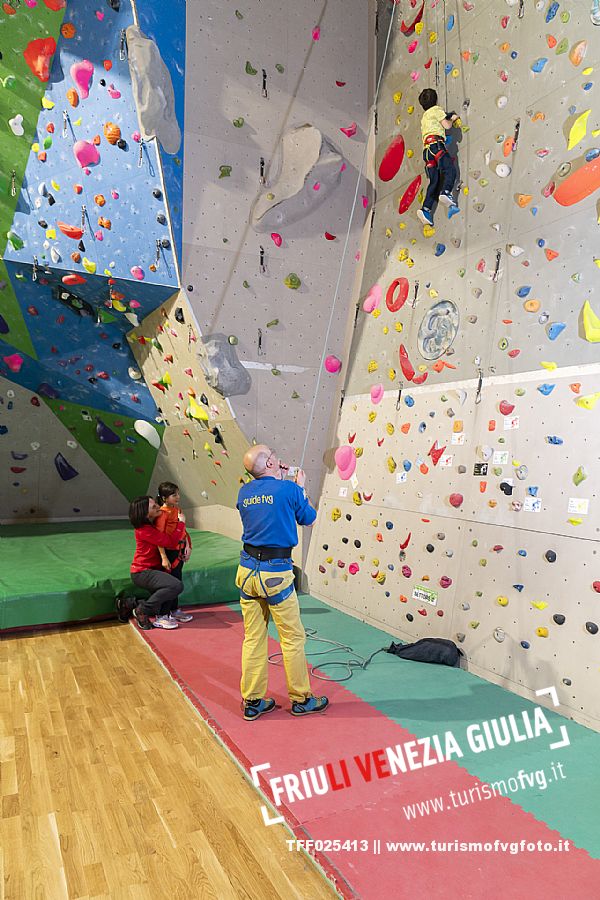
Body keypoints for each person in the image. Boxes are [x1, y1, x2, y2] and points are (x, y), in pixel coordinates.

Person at [235, 444, 329, 721]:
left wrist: (282, 481)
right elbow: (309, 518)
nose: (277, 455)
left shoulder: (244, 492)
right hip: (275, 574)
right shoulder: (289, 490)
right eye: (272, 455)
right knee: (292, 639)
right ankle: (302, 699)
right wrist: (300, 487)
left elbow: (267, 506)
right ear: (269, 464)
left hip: (247, 572)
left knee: (253, 638)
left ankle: (252, 701)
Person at [127, 495, 188, 630]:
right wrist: (181, 523)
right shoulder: (144, 530)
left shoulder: (152, 524)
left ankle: (131, 603)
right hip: (142, 572)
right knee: (175, 586)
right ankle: (142, 610)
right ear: (145, 514)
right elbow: (170, 542)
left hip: (152, 569)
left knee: (166, 591)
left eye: (156, 504)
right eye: (154, 507)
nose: (158, 507)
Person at [416, 88, 460, 226]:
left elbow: (431, 130)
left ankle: (425, 209)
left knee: (434, 182)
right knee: (450, 170)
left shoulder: (424, 118)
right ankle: (446, 192)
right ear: (436, 100)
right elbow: (446, 125)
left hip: (427, 152)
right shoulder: (436, 110)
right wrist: (452, 118)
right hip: (436, 146)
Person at [155, 481, 194, 624]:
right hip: (168, 553)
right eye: (173, 495)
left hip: (179, 551)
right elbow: (158, 538)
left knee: (177, 581)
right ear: (164, 498)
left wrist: (188, 546)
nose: (177, 497)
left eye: (178, 494)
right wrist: (164, 557)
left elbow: (183, 531)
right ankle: (162, 614)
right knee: (169, 584)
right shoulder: (161, 514)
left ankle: (174, 610)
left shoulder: (178, 510)